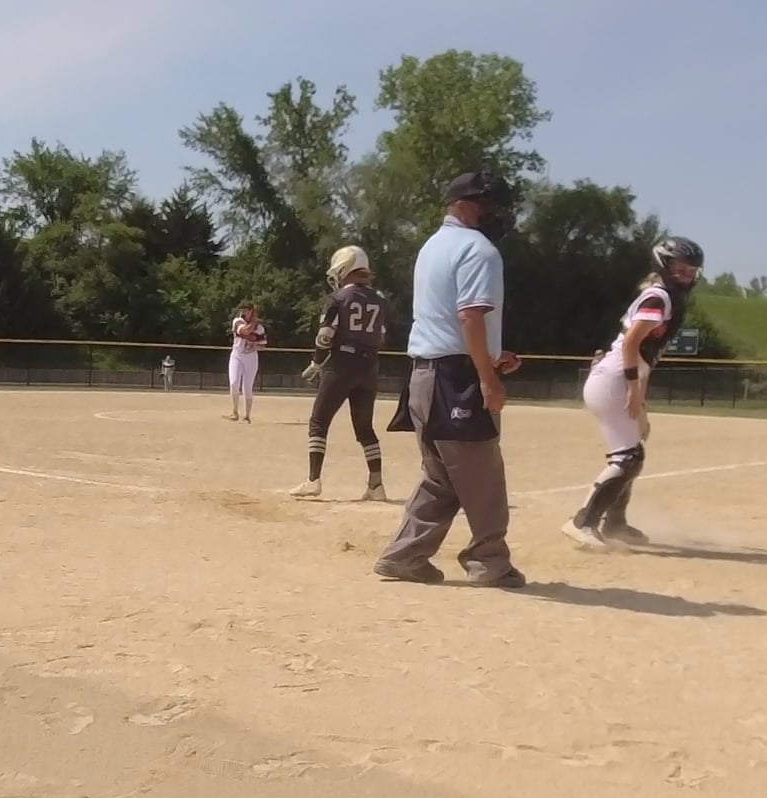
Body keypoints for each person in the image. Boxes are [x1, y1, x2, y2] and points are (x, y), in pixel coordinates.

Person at [373, 170, 526, 589]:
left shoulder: (432, 246)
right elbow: (469, 316)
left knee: (442, 478)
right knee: (483, 475)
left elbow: (445, 319)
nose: (496, 214)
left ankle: (404, 556)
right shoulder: (479, 250)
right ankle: (489, 562)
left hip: (424, 375)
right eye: (489, 205)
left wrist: (491, 357)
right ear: (463, 205)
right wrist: (488, 379)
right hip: (456, 379)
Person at [561, 237, 705, 549]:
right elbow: (631, 345)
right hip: (614, 380)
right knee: (628, 457)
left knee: (634, 446)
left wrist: (641, 395)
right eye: (681, 269)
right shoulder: (659, 297)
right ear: (664, 265)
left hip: (618, 378)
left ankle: (615, 523)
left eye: (692, 271)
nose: (687, 276)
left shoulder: (665, 297)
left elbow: (646, 357)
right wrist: (633, 387)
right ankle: (583, 522)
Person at [291, 245, 389, 501]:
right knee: (365, 428)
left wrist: (317, 362)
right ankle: (376, 485)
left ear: (345, 268)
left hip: (342, 364)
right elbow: (381, 336)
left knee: (319, 421)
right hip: (370, 365)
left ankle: (313, 480)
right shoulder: (379, 299)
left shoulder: (338, 299)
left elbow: (325, 336)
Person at [227, 303, 265, 423]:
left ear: (251, 311)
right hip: (237, 355)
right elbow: (245, 331)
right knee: (233, 382)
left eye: (246, 310)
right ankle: (235, 412)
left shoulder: (260, 328)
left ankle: (247, 416)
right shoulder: (238, 321)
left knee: (247, 387)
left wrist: (255, 346)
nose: (243, 312)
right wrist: (254, 320)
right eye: (242, 310)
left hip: (251, 357)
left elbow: (263, 344)